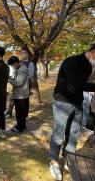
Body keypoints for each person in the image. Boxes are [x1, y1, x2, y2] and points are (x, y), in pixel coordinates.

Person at [49, 44, 95, 181]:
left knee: (74, 134)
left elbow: (84, 85)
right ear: (93, 52)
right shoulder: (71, 61)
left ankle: (69, 158)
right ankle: (54, 162)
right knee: (59, 133)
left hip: (77, 103)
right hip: (62, 101)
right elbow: (78, 84)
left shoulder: (88, 66)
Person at [5, 48, 34, 119]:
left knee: (22, 103)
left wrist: (23, 79)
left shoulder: (30, 63)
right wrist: (13, 79)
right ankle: (10, 112)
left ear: (28, 54)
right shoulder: (19, 62)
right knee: (13, 99)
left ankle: (22, 119)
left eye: (25, 53)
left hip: (23, 85)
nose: (23, 54)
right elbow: (15, 73)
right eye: (22, 53)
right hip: (16, 83)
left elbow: (30, 75)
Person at [7, 56, 29, 133]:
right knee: (22, 112)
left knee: (20, 112)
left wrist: (9, 80)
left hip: (20, 95)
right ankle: (22, 125)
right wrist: (12, 79)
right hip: (23, 94)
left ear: (16, 63)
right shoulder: (21, 69)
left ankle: (20, 128)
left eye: (12, 65)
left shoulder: (21, 71)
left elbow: (18, 83)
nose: (12, 67)